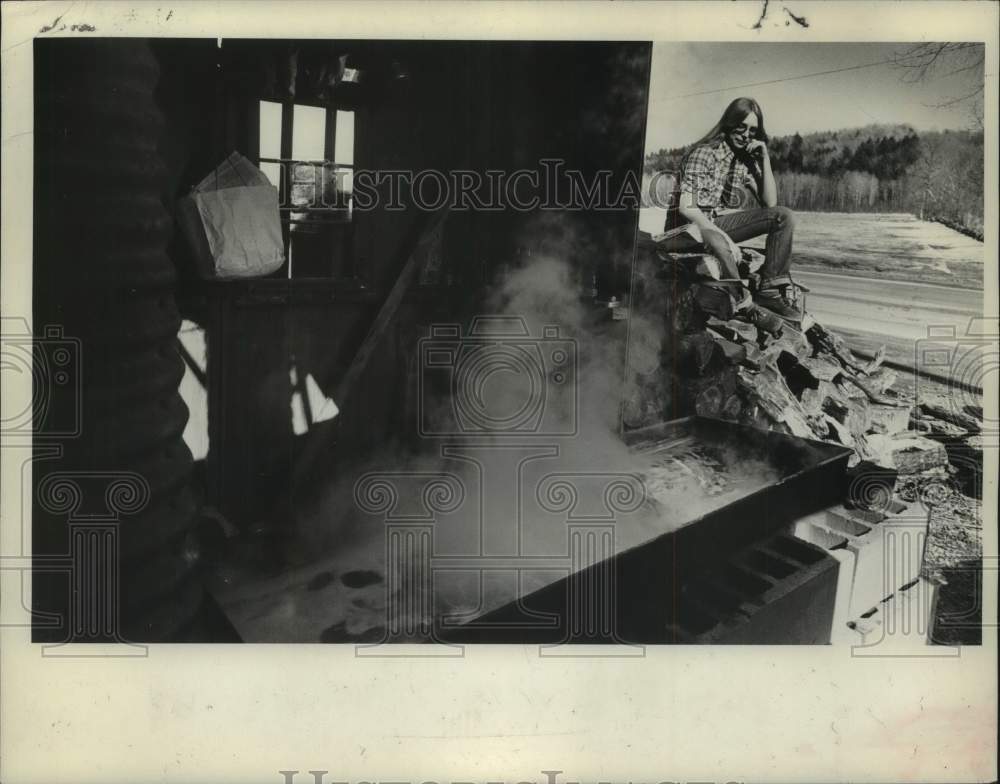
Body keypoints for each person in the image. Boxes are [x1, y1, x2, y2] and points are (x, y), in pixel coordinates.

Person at [658, 96, 803, 326]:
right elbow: (687, 207)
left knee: (783, 216)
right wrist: (723, 235)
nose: (746, 135)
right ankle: (743, 304)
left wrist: (764, 158)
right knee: (718, 242)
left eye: (753, 131)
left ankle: (770, 289)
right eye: (741, 127)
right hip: (683, 230)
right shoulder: (704, 153)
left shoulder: (741, 160)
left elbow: (770, 202)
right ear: (729, 123)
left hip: (710, 224)